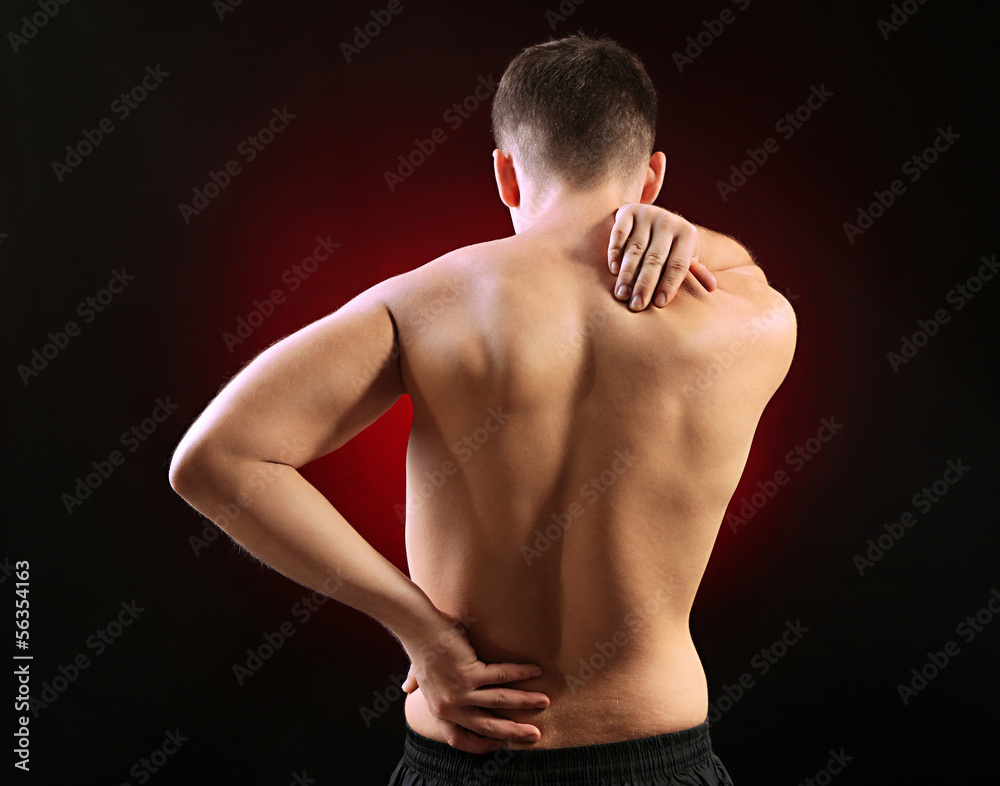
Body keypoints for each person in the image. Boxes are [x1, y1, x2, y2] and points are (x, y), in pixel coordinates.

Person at [169, 33, 795, 786]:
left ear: (504, 173)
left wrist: (422, 633)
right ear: (653, 176)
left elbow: (212, 460)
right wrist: (693, 234)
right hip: (657, 749)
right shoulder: (752, 319)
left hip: (468, 754)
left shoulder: (427, 302)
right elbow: (745, 268)